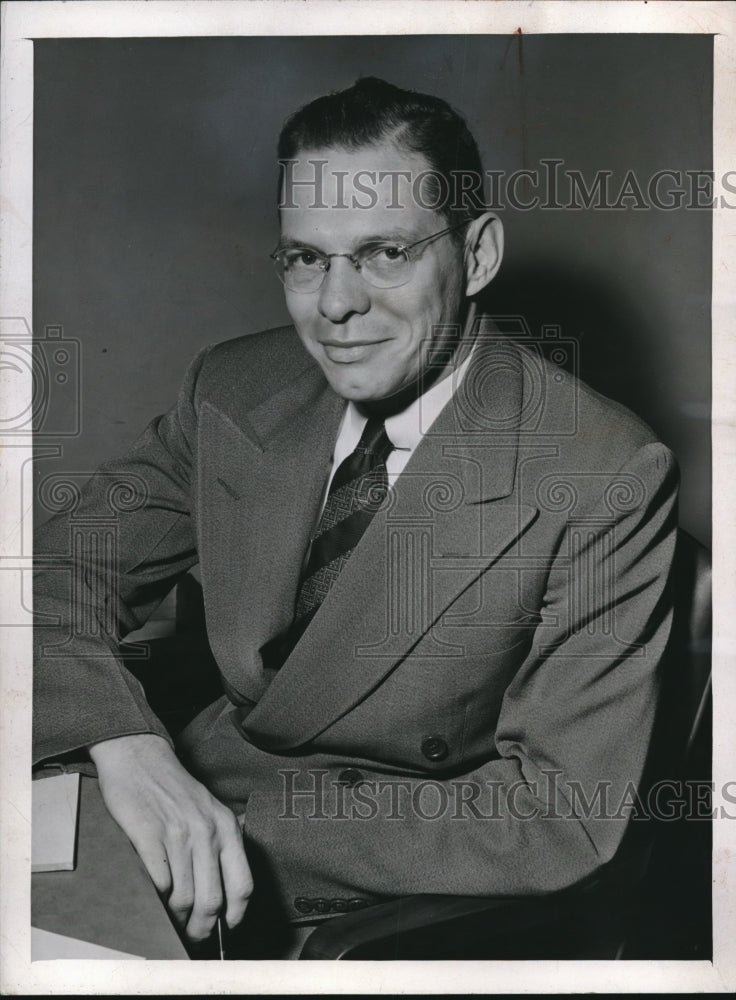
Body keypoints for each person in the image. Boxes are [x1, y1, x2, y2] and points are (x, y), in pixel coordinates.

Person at [33, 77, 678, 955]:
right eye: (306, 258)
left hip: (336, 897)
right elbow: (55, 573)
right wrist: (125, 744)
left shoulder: (603, 470)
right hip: (157, 800)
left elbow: (565, 818)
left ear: (478, 254)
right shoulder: (232, 386)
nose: (335, 306)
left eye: (384, 253)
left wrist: (229, 827)